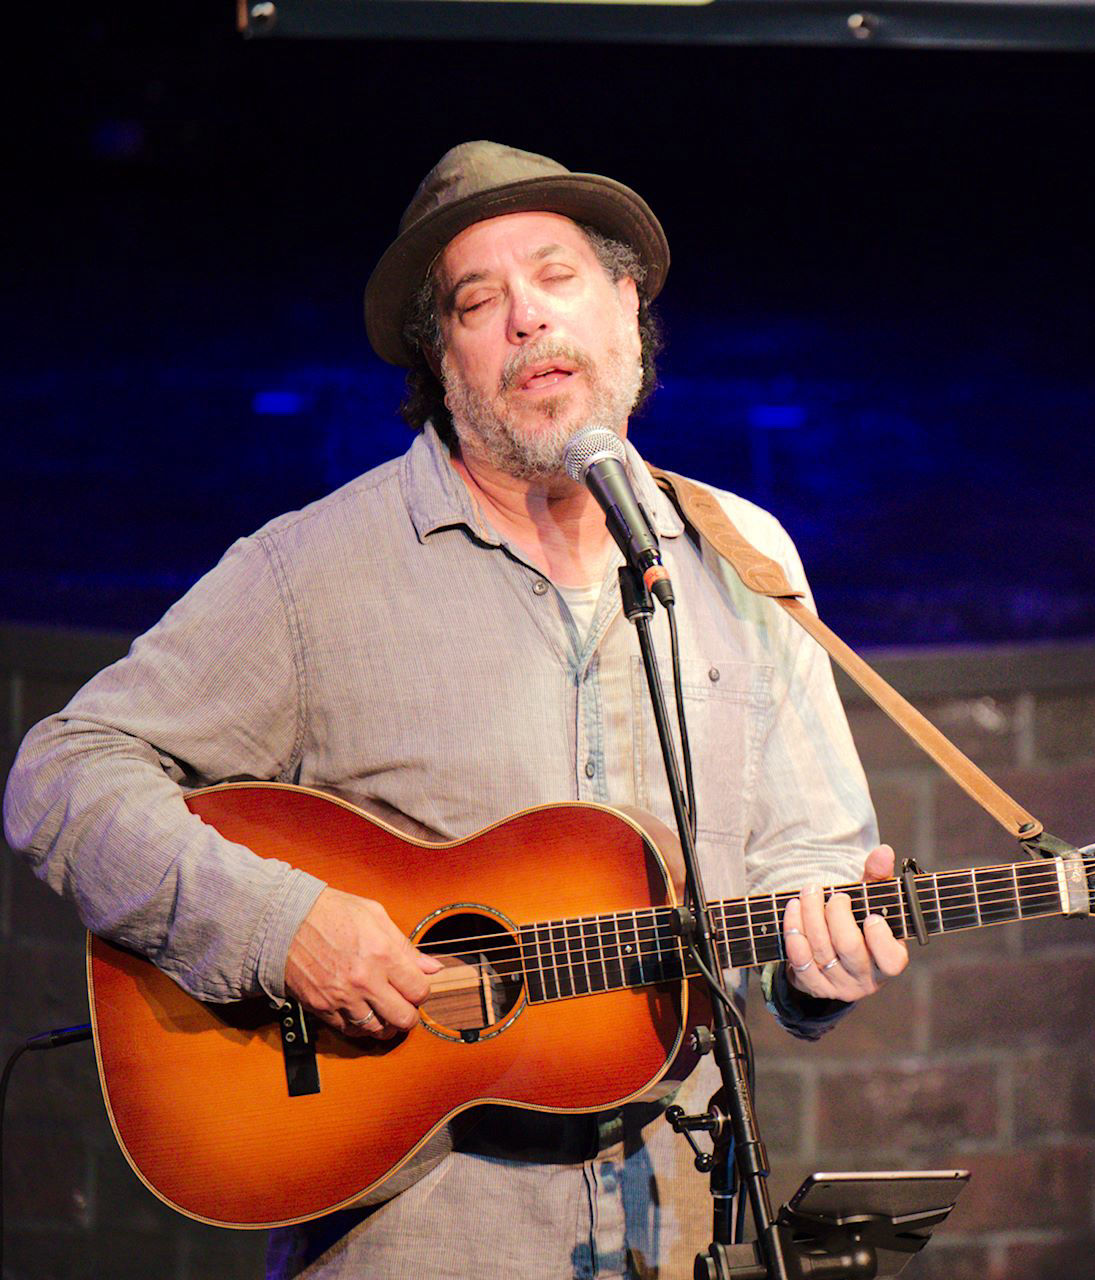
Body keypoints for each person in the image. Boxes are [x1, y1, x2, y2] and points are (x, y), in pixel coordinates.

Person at [3, 140, 909, 1279]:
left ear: (628, 308)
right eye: (480, 301)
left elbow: (806, 875)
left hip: (679, 1221)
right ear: (444, 362)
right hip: (413, 1233)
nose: (528, 316)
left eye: (559, 275)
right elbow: (62, 771)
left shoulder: (745, 557)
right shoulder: (315, 572)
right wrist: (280, 926)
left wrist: (818, 970)